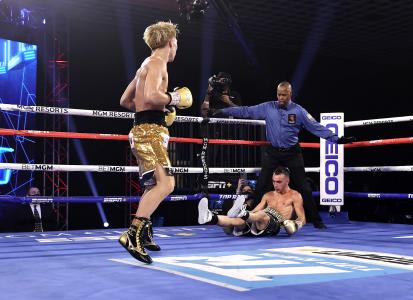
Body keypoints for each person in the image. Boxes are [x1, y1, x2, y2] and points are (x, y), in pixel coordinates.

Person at [211, 81, 354, 229]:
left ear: (290, 94)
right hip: (273, 151)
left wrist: (337, 139)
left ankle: (317, 221)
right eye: (278, 94)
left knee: (304, 187)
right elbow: (246, 111)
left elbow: (315, 127)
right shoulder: (268, 107)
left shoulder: (299, 111)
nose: (280, 97)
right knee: (261, 186)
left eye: (284, 95)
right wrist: (224, 111)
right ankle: (250, 220)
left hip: (292, 152)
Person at [118, 21, 193, 264]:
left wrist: (159, 111)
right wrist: (174, 98)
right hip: (149, 132)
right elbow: (151, 96)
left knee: (153, 185)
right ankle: (132, 234)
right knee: (167, 184)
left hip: (145, 128)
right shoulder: (158, 63)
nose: (176, 48)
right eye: (177, 44)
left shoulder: (145, 65)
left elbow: (126, 100)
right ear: (171, 42)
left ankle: (145, 232)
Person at [198, 167, 306, 237]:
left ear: (287, 181)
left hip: (275, 225)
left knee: (263, 215)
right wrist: (245, 216)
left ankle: (242, 212)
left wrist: (296, 225)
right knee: (238, 220)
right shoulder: (268, 195)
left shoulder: (295, 195)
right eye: (273, 181)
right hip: (258, 222)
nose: (275, 184)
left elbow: (302, 218)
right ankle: (210, 217)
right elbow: (255, 212)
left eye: (278, 182)